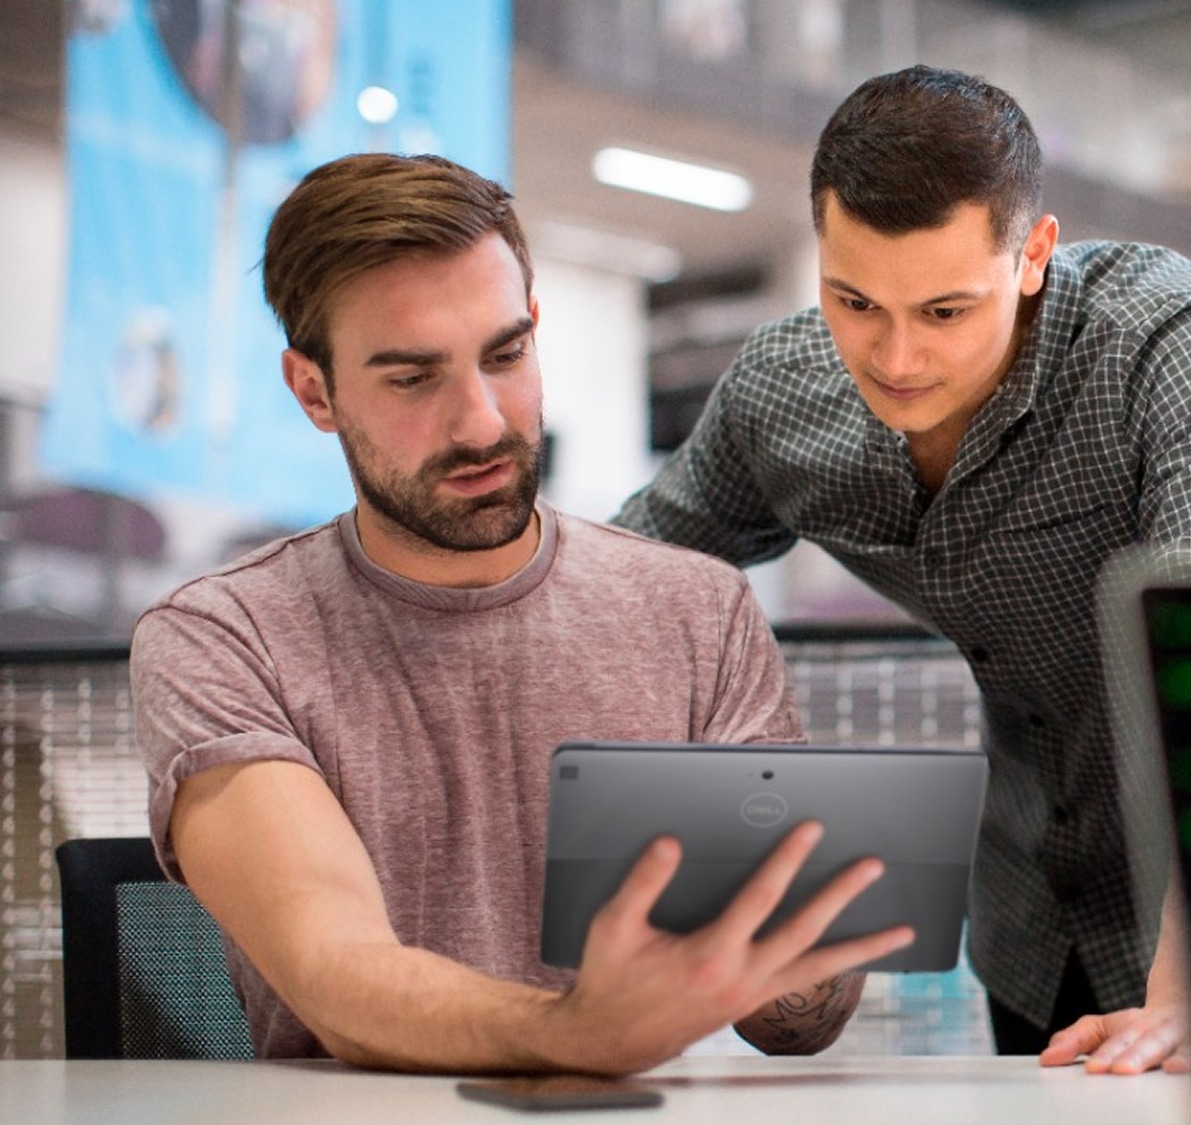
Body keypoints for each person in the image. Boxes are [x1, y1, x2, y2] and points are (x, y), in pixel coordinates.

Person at [131, 153, 912, 1073]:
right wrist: (576, 1032)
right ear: (314, 391)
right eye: (413, 378)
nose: (482, 422)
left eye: (505, 355)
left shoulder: (696, 608)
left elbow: (794, 1026)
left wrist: (808, 945)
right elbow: (336, 973)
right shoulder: (226, 637)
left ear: (536, 329)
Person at [613, 65, 1191, 1073]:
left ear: (1032, 255)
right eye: (853, 301)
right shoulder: (781, 395)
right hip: (1031, 930)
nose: (894, 357)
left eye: (944, 311)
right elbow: (622, 586)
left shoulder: (1169, 346)